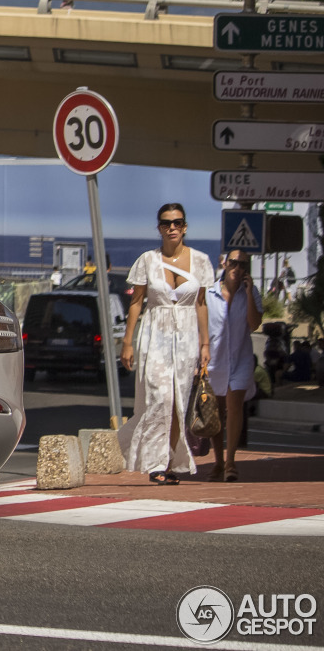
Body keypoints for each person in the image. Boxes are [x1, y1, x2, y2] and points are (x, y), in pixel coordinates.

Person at [117, 203, 213, 484]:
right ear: (159, 227)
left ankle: (168, 463)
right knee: (160, 397)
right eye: (165, 223)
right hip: (154, 332)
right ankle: (157, 464)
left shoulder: (201, 261)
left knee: (179, 402)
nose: (171, 227)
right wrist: (127, 341)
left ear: (185, 227)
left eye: (177, 222)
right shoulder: (147, 259)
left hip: (186, 336)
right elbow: (136, 302)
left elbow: (202, 304)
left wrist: (205, 344)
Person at [205, 249, 263, 482]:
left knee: (235, 406)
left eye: (243, 265)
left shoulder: (251, 292)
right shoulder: (210, 293)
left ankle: (231, 462)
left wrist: (248, 294)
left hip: (240, 358)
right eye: (234, 263)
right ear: (225, 264)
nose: (237, 268)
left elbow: (254, 324)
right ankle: (218, 462)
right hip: (216, 360)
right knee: (216, 412)